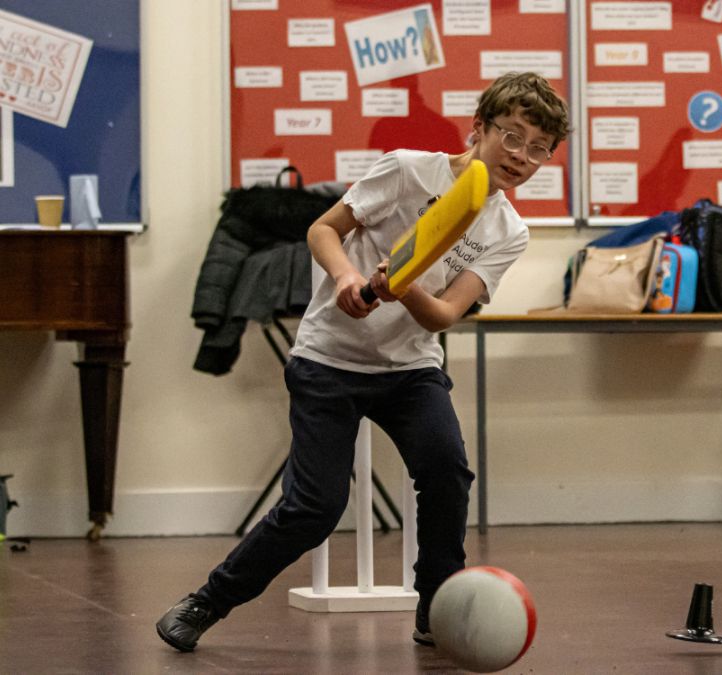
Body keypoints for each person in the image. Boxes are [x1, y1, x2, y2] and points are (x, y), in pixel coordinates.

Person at [156, 71, 570, 651]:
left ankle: (436, 608)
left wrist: (405, 290)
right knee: (314, 508)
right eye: (513, 136)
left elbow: (446, 314)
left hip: (410, 371)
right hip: (328, 361)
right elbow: (323, 229)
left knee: (446, 474)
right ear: (479, 129)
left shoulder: (509, 229)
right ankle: (206, 602)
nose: (522, 156)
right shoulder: (405, 169)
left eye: (539, 149)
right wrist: (347, 274)